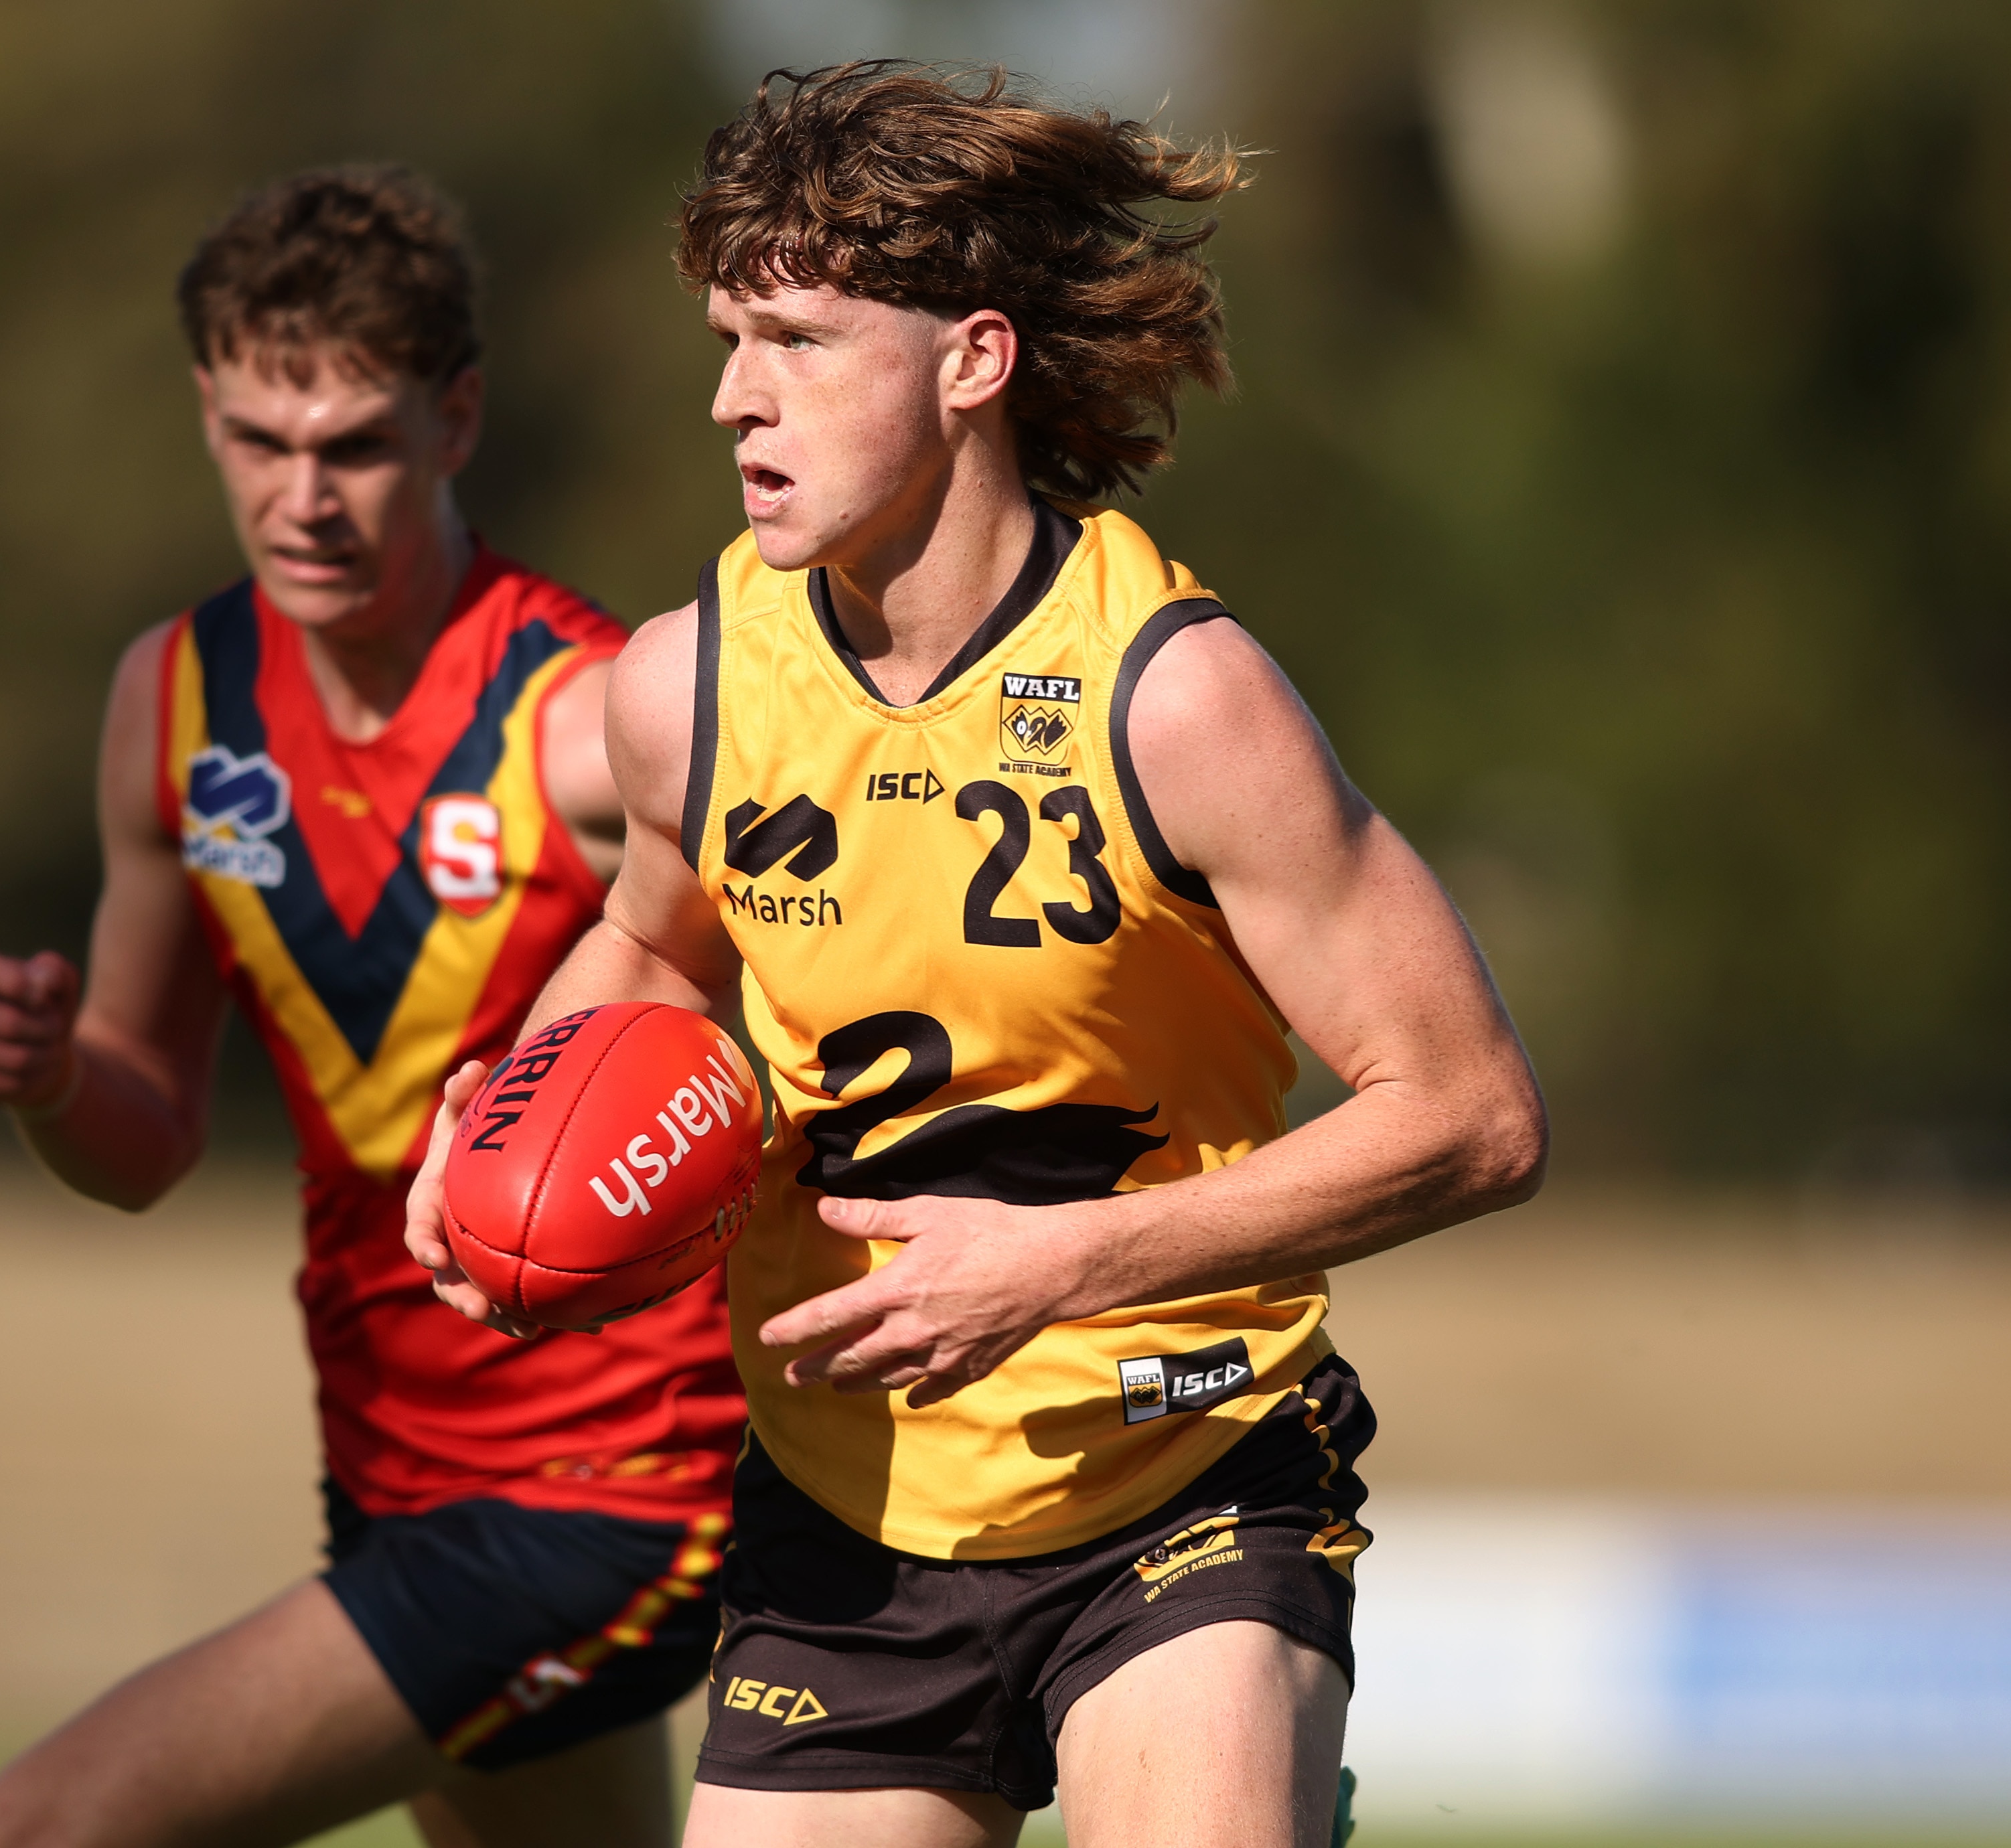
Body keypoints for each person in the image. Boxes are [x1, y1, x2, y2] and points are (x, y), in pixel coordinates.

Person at [405, 64, 1548, 1848]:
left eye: (795, 340)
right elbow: (647, 945)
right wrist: (506, 1144)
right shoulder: (684, 688)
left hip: (1179, 1471)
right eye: (725, 337)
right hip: (839, 1517)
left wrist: (1067, 1264)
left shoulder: (1174, 698)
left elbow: (1470, 1115)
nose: (731, 399)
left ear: (972, 360)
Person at [0, 167, 745, 1848]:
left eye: (355, 445)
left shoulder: (584, 721)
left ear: (456, 422)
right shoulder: (173, 701)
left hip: (614, 1487)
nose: (302, 497)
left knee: (49, 1828)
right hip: (394, 1477)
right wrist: (45, 1083)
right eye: (257, 440)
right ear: (205, 414)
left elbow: (792, 1020)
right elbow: (147, 1133)